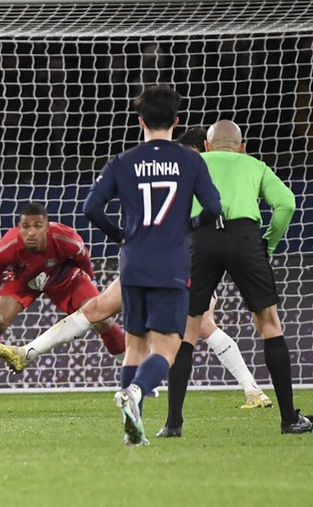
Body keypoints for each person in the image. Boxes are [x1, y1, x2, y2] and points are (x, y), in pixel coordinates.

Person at [0, 127, 273, 410]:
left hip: (173, 261)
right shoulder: (189, 178)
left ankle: (249, 389)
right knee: (99, 310)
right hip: (163, 259)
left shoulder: (185, 175)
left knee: (197, 327)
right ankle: (27, 353)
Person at [157, 120, 313, 437]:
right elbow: (287, 203)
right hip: (245, 237)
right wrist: (268, 243)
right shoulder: (253, 165)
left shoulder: (193, 163)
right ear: (241, 147)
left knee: (189, 328)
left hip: (201, 240)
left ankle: (173, 424)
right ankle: (289, 420)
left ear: (207, 146)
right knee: (269, 322)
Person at [82, 84, 222, 446]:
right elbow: (214, 208)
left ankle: (134, 431)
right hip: (171, 264)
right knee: (166, 349)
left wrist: (120, 235)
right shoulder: (191, 161)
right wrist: (186, 227)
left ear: (140, 120)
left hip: (133, 263)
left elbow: (91, 208)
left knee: (135, 346)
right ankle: (137, 393)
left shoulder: (123, 161)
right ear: (176, 121)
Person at [0, 201, 126, 401]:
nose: (31, 232)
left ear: (47, 227)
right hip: (23, 279)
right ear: (19, 228)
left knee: (103, 320)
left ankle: (131, 375)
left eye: (37, 226)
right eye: (25, 227)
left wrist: (91, 281)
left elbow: (83, 257)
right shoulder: (8, 246)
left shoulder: (65, 238)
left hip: (63, 276)